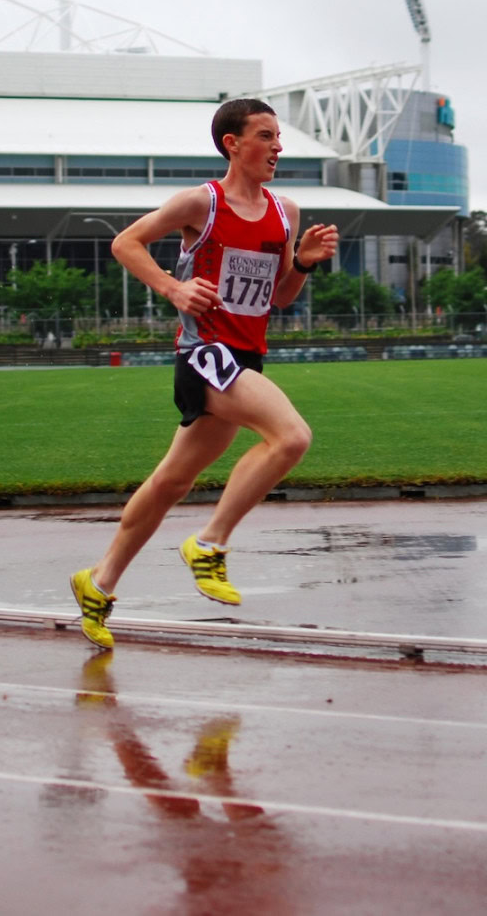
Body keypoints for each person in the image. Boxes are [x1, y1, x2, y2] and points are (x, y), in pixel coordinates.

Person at [68, 99, 338, 649]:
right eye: (266, 136)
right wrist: (174, 288)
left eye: (279, 137)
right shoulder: (201, 203)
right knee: (291, 437)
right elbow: (126, 243)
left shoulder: (285, 211)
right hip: (204, 353)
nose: (278, 148)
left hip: (246, 356)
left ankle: (98, 582)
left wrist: (304, 263)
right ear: (232, 144)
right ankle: (210, 544)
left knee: (172, 479)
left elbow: (281, 297)